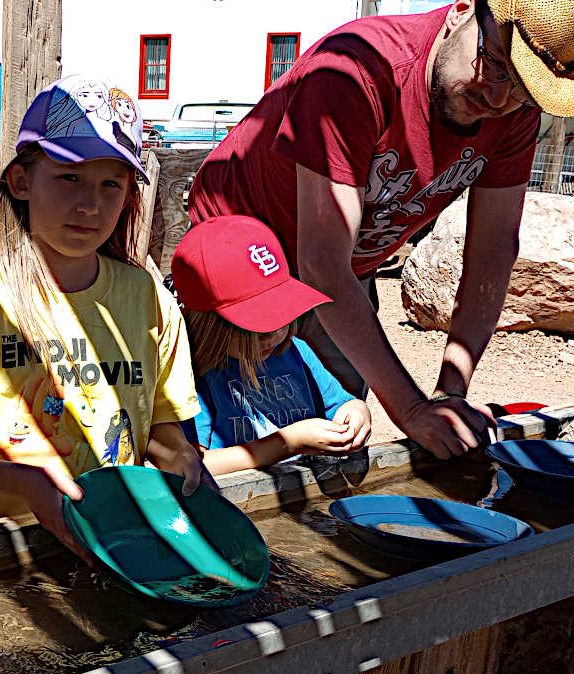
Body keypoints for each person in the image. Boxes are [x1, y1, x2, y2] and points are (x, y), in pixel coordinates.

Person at [187, 0, 573, 461]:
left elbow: (492, 251)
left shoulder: (514, 111)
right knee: (229, 445)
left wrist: (450, 392)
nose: (496, 97)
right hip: (242, 267)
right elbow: (322, 263)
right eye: (492, 62)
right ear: (463, 10)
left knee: (334, 440)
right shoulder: (356, 70)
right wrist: (410, 409)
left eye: (522, 89)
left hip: (347, 273)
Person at [0, 75, 206, 556]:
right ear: (20, 181)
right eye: (69, 177)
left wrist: (180, 456)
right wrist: (25, 483)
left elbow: (163, 421)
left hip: (119, 544)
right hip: (4, 556)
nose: (90, 204)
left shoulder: (150, 299)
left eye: (111, 185)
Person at [172, 216, 371, 475]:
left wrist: (356, 412)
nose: (275, 332)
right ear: (211, 325)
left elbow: (340, 403)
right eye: (258, 322)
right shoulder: (193, 376)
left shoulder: (296, 352)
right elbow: (190, 464)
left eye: (282, 313)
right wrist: (287, 444)